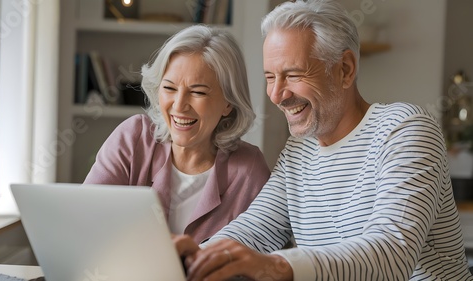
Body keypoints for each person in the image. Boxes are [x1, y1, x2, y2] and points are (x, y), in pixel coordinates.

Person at [174, 1, 473, 280]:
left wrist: (277, 265)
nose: (277, 95)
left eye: (293, 74)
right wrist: (194, 258)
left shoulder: (405, 129)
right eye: (269, 77)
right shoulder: (299, 151)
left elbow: (392, 253)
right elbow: (255, 229)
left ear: (345, 69)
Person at [84, 25, 270, 244]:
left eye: (198, 92)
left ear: (228, 103)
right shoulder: (133, 137)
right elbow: (85, 220)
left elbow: (261, 261)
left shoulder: (249, 170)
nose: (179, 106)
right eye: (170, 88)